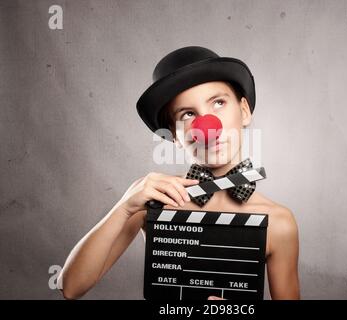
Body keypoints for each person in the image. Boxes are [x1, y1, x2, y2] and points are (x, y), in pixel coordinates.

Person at [58, 46, 300, 300]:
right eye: (188, 114)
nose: (208, 126)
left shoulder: (279, 222)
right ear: (173, 135)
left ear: (244, 111)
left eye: (218, 102)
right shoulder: (154, 204)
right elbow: (71, 287)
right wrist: (124, 207)